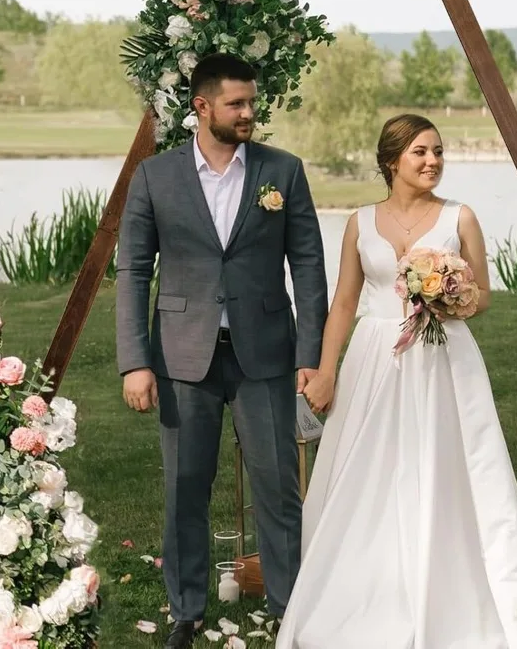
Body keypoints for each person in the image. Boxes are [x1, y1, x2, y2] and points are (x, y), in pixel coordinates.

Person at [277, 113, 517, 649]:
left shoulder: (460, 217)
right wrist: (325, 369)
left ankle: (454, 590)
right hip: (375, 357)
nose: (433, 161)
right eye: (420, 152)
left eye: (438, 151)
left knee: (445, 466)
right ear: (392, 161)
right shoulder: (359, 222)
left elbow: (482, 296)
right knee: (367, 468)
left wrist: (451, 294)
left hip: (442, 358)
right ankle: (361, 590)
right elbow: (344, 302)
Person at [115, 52, 329, 648]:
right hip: (182, 358)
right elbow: (133, 269)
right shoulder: (155, 177)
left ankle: (292, 609)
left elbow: (308, 267)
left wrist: (310, 354)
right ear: (201, 107)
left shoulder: (282, 172)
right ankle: (186, 611)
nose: (248, 114)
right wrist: (135, 360)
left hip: (267, 355)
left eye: (252, 103)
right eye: (236, 104)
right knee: (186, 485)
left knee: (278, 486)